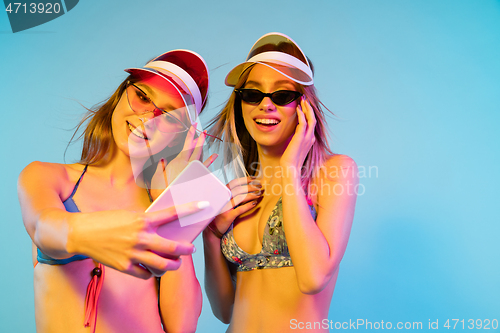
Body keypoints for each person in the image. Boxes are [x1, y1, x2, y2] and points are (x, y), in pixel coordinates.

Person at [17, 50, 212, 333]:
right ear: (122, 93)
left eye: (169, 115)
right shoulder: (47, 176)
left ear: (182, 137)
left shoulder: (164, 206)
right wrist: (92, 237)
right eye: (143, 96)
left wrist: (171, 201)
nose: (148, 117)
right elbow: (43, 228)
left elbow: (181, 326)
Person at [203, 33, 359, 332]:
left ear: (303, 106)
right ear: (241, 104)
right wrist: (211, 236)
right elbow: (223, 310)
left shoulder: (333, 172)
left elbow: (314, 278)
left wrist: (288, 170)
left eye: (282, 95)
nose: (265, 104)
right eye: (252, 94)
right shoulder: (240, 189)